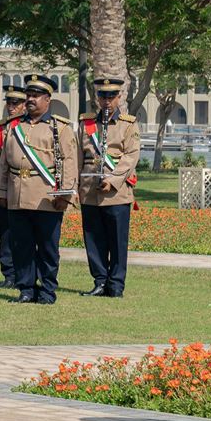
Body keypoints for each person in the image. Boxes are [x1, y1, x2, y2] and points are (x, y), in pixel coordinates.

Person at [0, 74, 77, 305]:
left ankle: (47, 290)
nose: (30, 99)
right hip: (17, 194)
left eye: (35, 96)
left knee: (48, 248)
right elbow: (4, 162)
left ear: (47, 99)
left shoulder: (59, 128)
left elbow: (69, 162)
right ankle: (26, 289)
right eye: (29, 95)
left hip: (45, 197)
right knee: (21, 246)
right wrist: (1, 191)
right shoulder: (15, 127)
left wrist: (66, 194)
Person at [77, 77, 140, 299]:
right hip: (89, 192)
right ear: (97, 98)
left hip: (117, 193)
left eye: (111, 96)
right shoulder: (86, 124)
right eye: (102, 96)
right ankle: (100, 281)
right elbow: (77, 157)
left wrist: (112, 180)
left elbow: (131, 156)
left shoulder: (127, 123)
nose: (106, 101)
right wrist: (75, 187)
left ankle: (116, 285)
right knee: (93, 240)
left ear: (119, 97)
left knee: (117, 241)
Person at [0, 83, 28, 289]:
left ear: (24, 105)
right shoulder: (0, 128)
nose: (11, 106)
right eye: (9, 102)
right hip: (5, 187)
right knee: (5, 233)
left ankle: (25, 272)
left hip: (26, 188)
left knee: (24, 234)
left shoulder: (25, 127)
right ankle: (9, 274)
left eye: (16, 103)